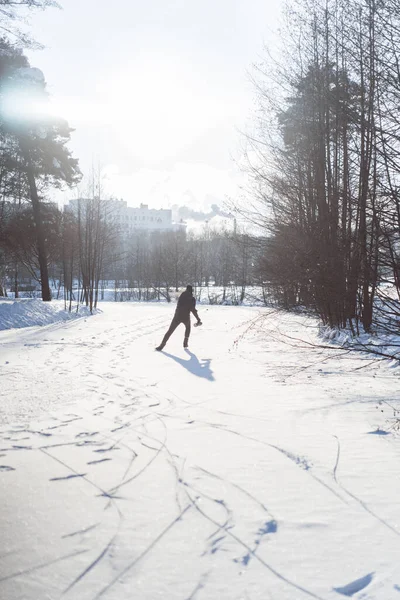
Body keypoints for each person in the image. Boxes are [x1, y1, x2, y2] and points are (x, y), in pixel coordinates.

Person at [156, 285, 202, 350]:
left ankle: (161, 345)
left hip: (177, 316)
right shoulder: (192, 299)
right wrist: (198, 319)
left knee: (170, 331)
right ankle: (185, 344)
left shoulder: (182, 295)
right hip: (186, 317)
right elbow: (193, 310)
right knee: (188, 328)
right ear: (192, 291)